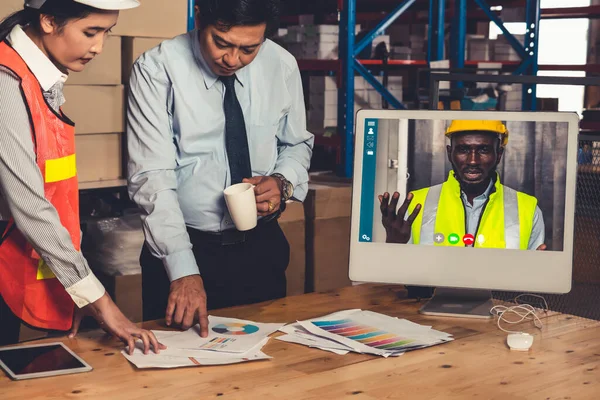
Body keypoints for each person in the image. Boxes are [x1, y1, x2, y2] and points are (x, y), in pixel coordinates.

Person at [126, 0, 314, 337]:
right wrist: (183, 271)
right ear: (200, 18)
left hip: (261, 249)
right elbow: (151, 176)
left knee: (266, 373)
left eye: (249, 49)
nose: (232, 60)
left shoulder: (281, 65)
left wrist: (282, 182)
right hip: (185, 251)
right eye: (222, 42)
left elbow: (297, 143)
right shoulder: (158, 69)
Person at [0, 0, 164, 354]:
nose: (98, 47)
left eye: (107, 33)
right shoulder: (5, 80)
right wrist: (100, 302)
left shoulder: (37, 75)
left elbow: (51, 196)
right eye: (90, 32)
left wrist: (71, 289)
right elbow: (29, 205)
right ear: (47, 20)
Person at [379, 120, 546, 251]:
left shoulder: (527, 209)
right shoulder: (417, 205)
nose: (473, 160)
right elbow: (400, 277)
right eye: (464, 150)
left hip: (501, 297)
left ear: (499, 155)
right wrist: (394, 246)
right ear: (450, 153)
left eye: (483, 150)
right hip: (431, 296)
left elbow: (529, 281)